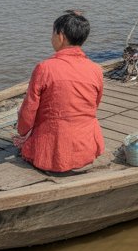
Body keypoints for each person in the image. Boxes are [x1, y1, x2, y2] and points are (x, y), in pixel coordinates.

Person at [15, 10, 105, 172]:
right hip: (86, 148)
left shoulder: (45, 68)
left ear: (61, 36)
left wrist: (22, 132)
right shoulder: (96, 69)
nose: (51, 38)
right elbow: (94, 106)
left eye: (53, 33)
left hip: (52, 153)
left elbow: (28, 113)